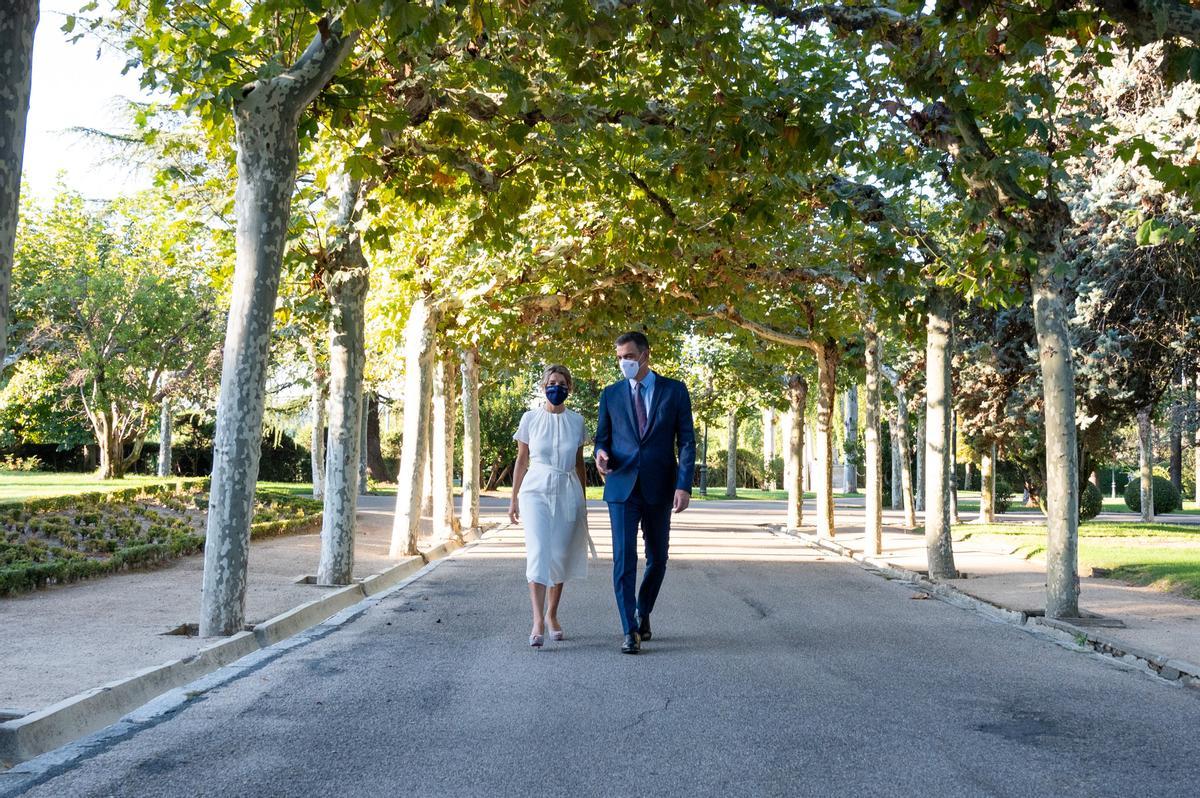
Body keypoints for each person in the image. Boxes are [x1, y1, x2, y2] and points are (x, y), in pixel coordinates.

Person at [594, 332, 696, 654]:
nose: (623, 362)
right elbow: (602, 439)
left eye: (628, 356)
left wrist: (683, 484)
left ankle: (642, 609)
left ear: (644, 355)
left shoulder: (674, 391)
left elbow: (687, 441)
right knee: (624, 560)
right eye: (619, 357)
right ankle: (629, 630)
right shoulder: (610, 395)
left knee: (658, 559)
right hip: (622, 486)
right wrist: (600, 455)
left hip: (660, 486)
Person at [508, 365, 591, 649]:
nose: (557, 386)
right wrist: (513, 498)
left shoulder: (577, 422)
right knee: (539, 551)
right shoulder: (530, 418)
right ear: (544, 386)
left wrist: (583, 498)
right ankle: (537, 620)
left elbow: (579, 462)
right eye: (552, 382)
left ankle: (552, 614)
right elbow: (521, 460)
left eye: (563, 383)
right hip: (535, 490)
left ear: (569, 388)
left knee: (560, 554)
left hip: (568, 488)